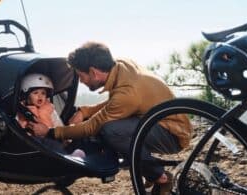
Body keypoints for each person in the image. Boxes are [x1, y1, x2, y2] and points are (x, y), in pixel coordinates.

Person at [27, 42, 192, 194]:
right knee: (109, 129)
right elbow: (116, 103)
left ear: (93, 72)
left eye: (81, 75)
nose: (82, 82)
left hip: (172, 134)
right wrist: (85, 112)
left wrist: (50, 132)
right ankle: (143, 166)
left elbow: (93, 126)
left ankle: (160, 178)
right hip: (157, 121)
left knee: (111, 131)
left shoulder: (127, 93)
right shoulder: (120, 65)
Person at [18, 73, 85, 158]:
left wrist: (65, 137)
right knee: (51, 144)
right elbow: (19, 127)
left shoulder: (49, 109)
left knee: (68, 140)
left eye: (43, 93)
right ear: (26, 95)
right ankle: (68, 157)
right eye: (35, 93)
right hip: (34, 142)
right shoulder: (23, 110)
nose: (40, 96)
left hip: (51, 135)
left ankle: (72, 155)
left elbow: (57, 123)